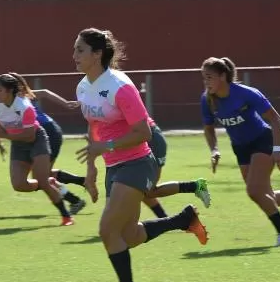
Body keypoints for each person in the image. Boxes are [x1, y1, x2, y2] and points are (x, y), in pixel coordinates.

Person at [73, 28, 208, 282]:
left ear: (98, 54)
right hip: (113, 167)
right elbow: (94, 128)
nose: (74, 56)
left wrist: (106, 147)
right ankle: (182, 220)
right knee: (129, 236)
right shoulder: (83, 87)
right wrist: (92, 170)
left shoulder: (121, 86)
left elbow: (144, 132)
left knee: (108, 230)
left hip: (136, 163)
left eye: (80, 50)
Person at [201, 57, 280, 247]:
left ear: (223, 76)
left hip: (262, 140)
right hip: (240, 147)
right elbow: (208, 128)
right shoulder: (207, 100)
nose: (206, 82)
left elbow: (275, 119)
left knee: (253, 191)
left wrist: (277, 150)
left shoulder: (246, 94)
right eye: (204, 78)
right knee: (266, 195)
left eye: (209, 77)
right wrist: (215, 149)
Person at [33, 87, 212, 214]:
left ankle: (188, 198)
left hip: (151, 140)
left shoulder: (115, 89)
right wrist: (91, 166)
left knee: (148, 190)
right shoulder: (92, 98)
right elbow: (94, 131)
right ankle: (186, 198)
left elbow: (138, 129)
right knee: (147, 191)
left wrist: (98, 154)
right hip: (133, 146)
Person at [0, 74, 77, 226]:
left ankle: (66, 217)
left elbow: (28, 135)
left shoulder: (25, 107)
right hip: (18, 143)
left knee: (42, 181)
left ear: (9, 91)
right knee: (19, 184)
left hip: (37, 139)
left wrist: (4, 135)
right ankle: (48, 181)